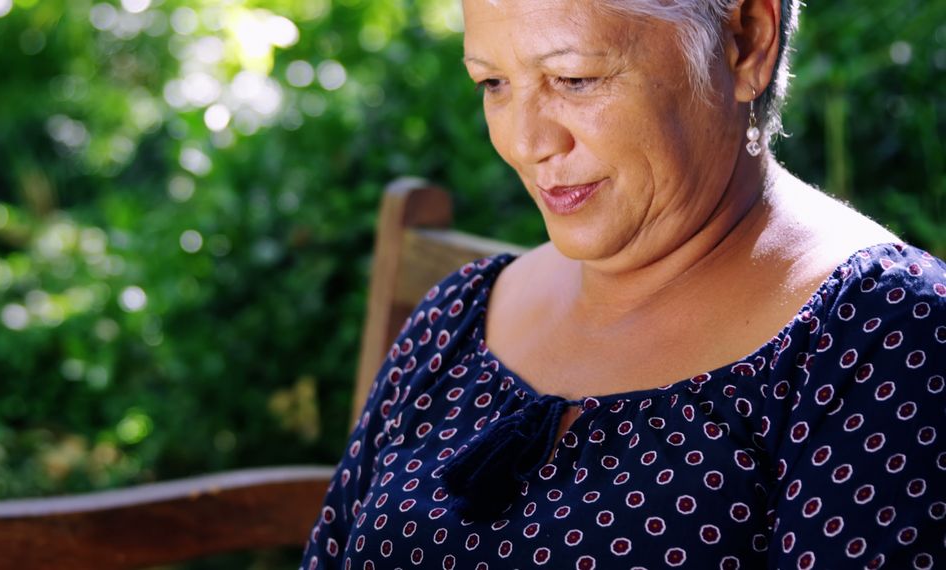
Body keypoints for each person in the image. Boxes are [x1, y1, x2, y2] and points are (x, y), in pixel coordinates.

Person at [303, 0, 945, 567]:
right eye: (493, 82)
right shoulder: (459, 316)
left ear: (746, 39)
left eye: (576, 78)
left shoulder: (888, 339)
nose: (526, 143)